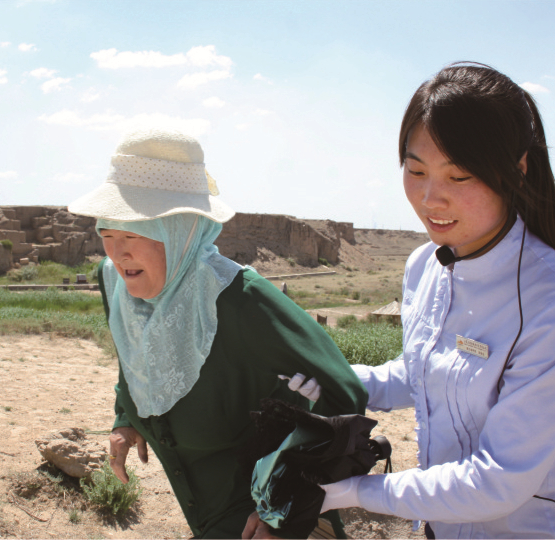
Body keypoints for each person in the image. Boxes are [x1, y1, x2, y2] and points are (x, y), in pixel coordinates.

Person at [248, 62, 555, 539]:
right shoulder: (425, 266)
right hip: (444, 526)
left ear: (517, 168)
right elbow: (422, 372)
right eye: (415, 170)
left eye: (459, 177)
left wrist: (348, 491)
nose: (430, 198)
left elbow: (499, 480)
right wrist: (334, 380)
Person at [67, 129, 368, 539]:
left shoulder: (238, 299)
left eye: (133, 236)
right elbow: (134, 351)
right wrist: (126, 416)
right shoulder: (117, 284)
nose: (118, 255)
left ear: (179, 232)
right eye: (108, 236)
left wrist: (282, 509)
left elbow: (345, 395)